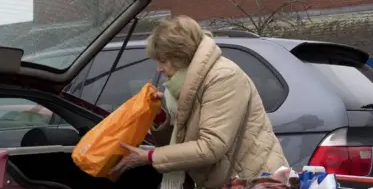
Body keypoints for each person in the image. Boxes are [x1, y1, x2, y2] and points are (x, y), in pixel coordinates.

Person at [110, 15, 289, 189]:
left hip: (254, 180)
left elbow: (211, 146)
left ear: (180, 55)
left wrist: (149, 157)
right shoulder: (181, 86)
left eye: (163, 61)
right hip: (226, 180)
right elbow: (178, 146)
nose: (159, 69)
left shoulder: (223, 77)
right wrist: (160, 117)